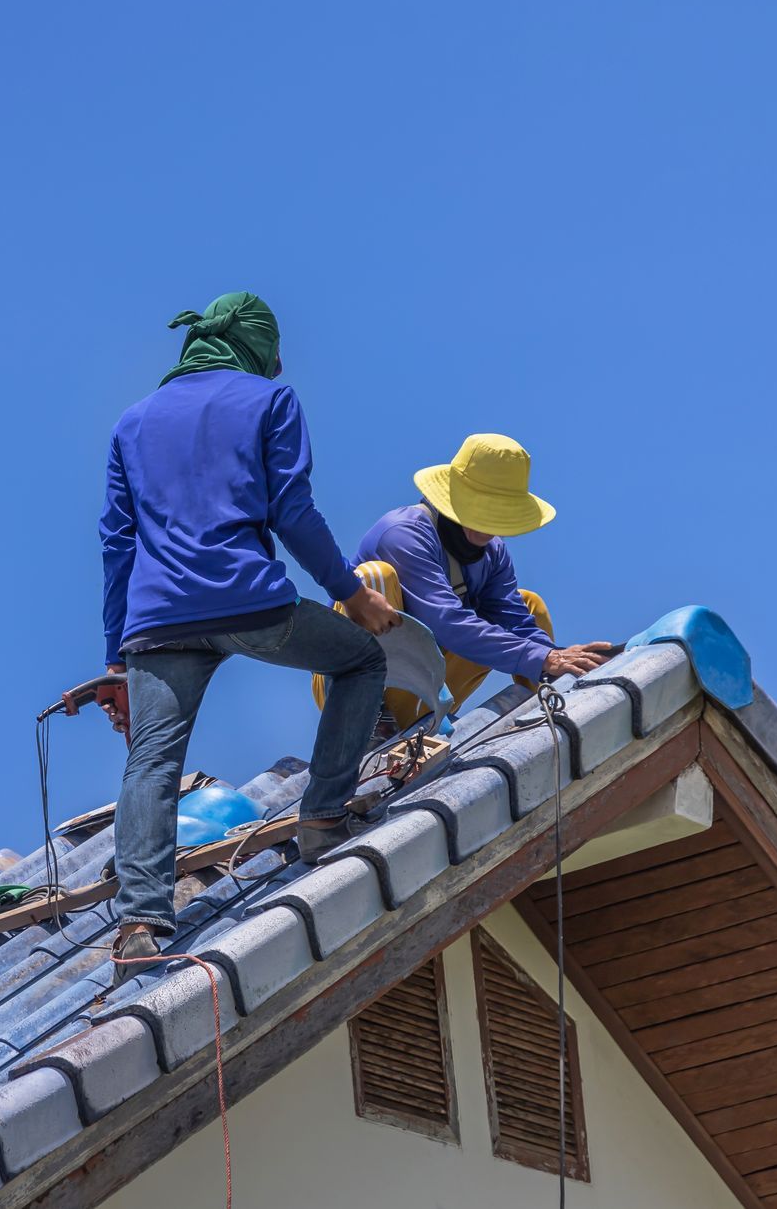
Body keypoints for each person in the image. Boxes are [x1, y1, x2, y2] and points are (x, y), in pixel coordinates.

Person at [99, 291, 399, 979]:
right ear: (258, 348)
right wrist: (353, 595)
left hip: (155, 624)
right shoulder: (271, 401)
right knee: (359, 660)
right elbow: (292, 511)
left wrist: (115, 660)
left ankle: (140, 923)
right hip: (245, 601)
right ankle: (322, 819)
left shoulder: (132, 422)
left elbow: (117, 544)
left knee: (151, 763)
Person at [315, 433, 616, 729]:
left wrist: (558, 661)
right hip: (354, 686)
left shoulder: (493, 554)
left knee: (530, 605)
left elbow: (519, 624)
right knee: (375, 576)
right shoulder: (402, 534)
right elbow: (446, 621)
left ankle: (551, 697)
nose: (489, 526)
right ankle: (369, 722)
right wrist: (541, 657)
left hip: (426, 690)